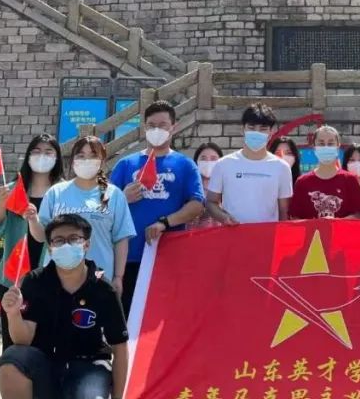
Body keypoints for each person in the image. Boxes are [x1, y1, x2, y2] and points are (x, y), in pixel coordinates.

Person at [0, 214, 128, 399]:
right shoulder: (35, 282)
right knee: (11, 360)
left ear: (86, 244)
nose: (66, 245)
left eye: (73, 239)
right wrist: (12, 314)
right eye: (58, 240)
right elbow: (23, 340)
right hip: (48, 367)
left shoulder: (103, 289)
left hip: (89, 367)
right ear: (50, 247)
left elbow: (120, 349)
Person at [108, 101, 205, 316]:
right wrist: (122, 198)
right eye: (151, 125)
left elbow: (197, 204)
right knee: (127, 319)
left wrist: (165, 222)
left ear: (173, 127)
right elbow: (103, 207)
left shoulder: (185, 165)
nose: (156, 130)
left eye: (162, 125)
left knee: (164, 319)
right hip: (128, 258)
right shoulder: (126, 164)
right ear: (144, 128)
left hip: (169, 258)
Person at [0, 135, 63, 352]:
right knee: (13, 340)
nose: (42, 156)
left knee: (48, 336)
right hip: (15, 275)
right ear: (28, 156)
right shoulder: (12, 189)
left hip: (52, 275)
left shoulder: (63, 191)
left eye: (48, 152)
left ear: (57, 158)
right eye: (36, 151)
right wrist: (1, 205)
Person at [27, 136, 135, 295]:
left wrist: (118, 277)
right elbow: (42, 236)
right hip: (56, 277)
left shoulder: (114, 195)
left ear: (103, 161)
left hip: (99, 277)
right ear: (72, 161)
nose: (87, 160)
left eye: (93, 155)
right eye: (81, 156)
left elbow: (121, 239)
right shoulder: (56, 192)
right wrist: (33, 220)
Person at [205, 104, 293, 224]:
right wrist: (224, 217)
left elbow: (283, 211)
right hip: (233, 233)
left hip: (267, 234)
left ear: (271, 132)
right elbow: (210, 202)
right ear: (243, 129)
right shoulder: (223, 164)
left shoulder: (282, 168)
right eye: (251, 128)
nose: (256, 133)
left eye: (263, 129)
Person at [289, 126, 360, 219]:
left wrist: (334, 223)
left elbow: (358, 216)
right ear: (314, 147)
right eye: (321, 143)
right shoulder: (302, 182)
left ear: (338, 146)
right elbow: (295, 218)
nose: (326, 147)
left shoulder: (350, 179)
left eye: (330, 143)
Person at [190, 142, 224, 228]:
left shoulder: (226, 189)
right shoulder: (189, 188)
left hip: (219, 234)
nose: (208, 162)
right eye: (203, 158)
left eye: (213, 159)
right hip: (192, 234)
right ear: (196, 162)